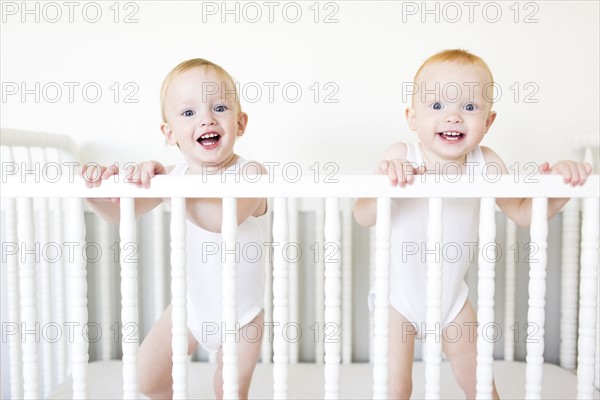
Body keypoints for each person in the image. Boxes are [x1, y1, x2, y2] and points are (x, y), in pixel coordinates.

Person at [353, 49, 592, 399]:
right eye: (436, 107)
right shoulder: (401, 156)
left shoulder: (486, 163)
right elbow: (362, 216)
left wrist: (561, 187)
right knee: (396, 389)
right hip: (398, 300)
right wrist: (386, 186)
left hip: (452, 300)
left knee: (481, 387)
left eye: (468, 107)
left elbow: (525, 214)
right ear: (411, 117)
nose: (452, 117)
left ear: (489, 121)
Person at [82, 58, 268, 399]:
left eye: (220, 107)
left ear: (240, 123)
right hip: (189, 307)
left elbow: (219, 220)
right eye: (188, 113)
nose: (206, 119)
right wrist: (96, 191)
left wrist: (167, 186)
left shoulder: (251, 174)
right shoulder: (174, 178)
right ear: (169, 134)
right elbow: (118, 215)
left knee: (228, 390)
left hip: (241, 317)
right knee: (146, 379)